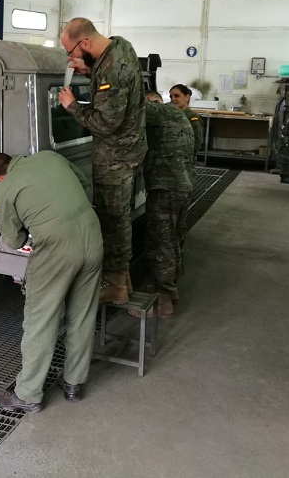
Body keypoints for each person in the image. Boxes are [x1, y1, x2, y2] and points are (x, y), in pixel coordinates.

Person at [0, 151, 103, 413]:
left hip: (57, 247)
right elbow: (85, 183)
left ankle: (27, 394)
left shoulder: (6, 188)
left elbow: (14, 241)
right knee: (83, 314)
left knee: (41, 319)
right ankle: (73, 383)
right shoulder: (50, 157)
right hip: (92, 233)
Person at [57, 17, 146, 305]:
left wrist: (72, 107)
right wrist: (89, 69)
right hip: (127, 150)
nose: (70, 59)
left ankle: (115, 285)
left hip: (115, 157)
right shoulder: (120, 46)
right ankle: (122, 279)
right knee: (120, 218)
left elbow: (106, 123)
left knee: (112, 220)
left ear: (85, 42)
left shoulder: (111, 69)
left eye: (71, 52)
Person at [139, 91, 195, 319]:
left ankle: (163, 299)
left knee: (161, 241)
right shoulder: (178, 115)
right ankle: (169, 286)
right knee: (173, 238)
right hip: (182, 185)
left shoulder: (159, 112)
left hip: (166, 187)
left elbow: (131, 110)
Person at [169, 84, 204, 159]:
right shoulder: (171, 115)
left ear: (187, 97)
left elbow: (197, 142)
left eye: (177, 96)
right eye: (171, 97)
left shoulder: (192, 117)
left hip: (185, 159)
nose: (173, 99)